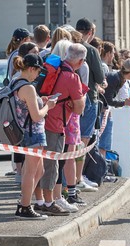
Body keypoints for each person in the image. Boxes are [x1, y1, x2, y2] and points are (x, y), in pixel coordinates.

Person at [35, 42, 86, 216]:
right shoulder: (72, 78)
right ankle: (49, 203)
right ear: (80, 62)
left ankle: (39, 200)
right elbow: (79, 108)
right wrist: (74, 102)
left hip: (39, 119)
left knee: (37, 163)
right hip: (55, 124)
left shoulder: (53, 68)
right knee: (51, 164)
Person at [12, 54, 57, 219]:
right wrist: (48, 106)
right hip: (33, 133)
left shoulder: (15, 82)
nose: (39, 75)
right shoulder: (28, 87)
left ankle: (23, 202)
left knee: (37, 171)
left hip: (24, 132)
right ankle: (25, 207)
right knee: (31, 172)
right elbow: (37, 116)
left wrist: (40, 101)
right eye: (38, 71)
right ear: (31, 69)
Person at [76, 18, 104, 189]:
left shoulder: (66, 45)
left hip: (68, 100)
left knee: (70, 140)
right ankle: (78, 178)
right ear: (90, 32)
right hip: (88, 97)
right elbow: (100, 77)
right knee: (83, 140)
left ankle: (69, 179)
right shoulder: (90, 50)